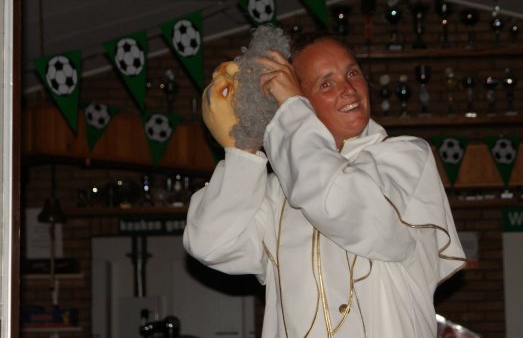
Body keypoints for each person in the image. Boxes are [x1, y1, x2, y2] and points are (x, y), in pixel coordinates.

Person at [183, 34, 466, 338]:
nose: (349, 89)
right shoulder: (277, 192)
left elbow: (341, 205)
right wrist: (242, 152)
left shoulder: (405, 157)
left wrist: (290, 108)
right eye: (326, 84)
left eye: (353, 73)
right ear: (303, 100)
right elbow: (210, 243)